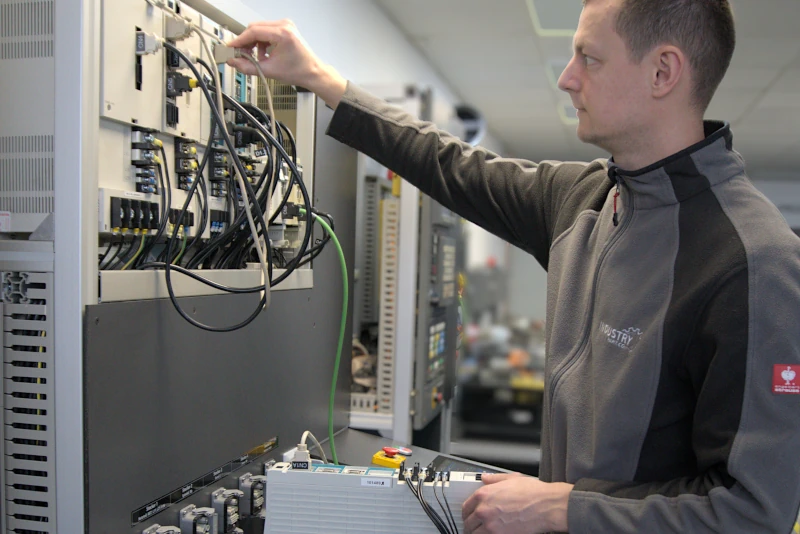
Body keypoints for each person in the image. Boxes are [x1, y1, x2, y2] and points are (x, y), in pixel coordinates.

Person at [227, 0, 800, 532]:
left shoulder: (753, 262)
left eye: (589, 58)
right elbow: (450, 163)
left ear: (663, 72)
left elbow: (753, 510)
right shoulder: (585, 200)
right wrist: (318, 79)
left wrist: (561, 506)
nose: (567, 77)